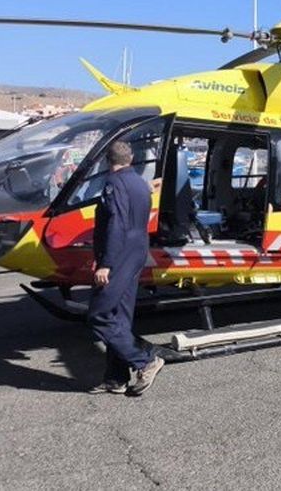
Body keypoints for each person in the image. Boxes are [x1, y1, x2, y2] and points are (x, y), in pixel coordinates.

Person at [88, 141, 164, 396]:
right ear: (131, 158)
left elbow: (116, 225)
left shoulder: (115, 183)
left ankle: (145, 360)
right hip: (135, 254)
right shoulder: (140, 184)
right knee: (119, 318)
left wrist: (105, 263)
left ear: (106, 161)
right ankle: (116, 378)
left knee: (99, 314)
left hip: (119, 256)